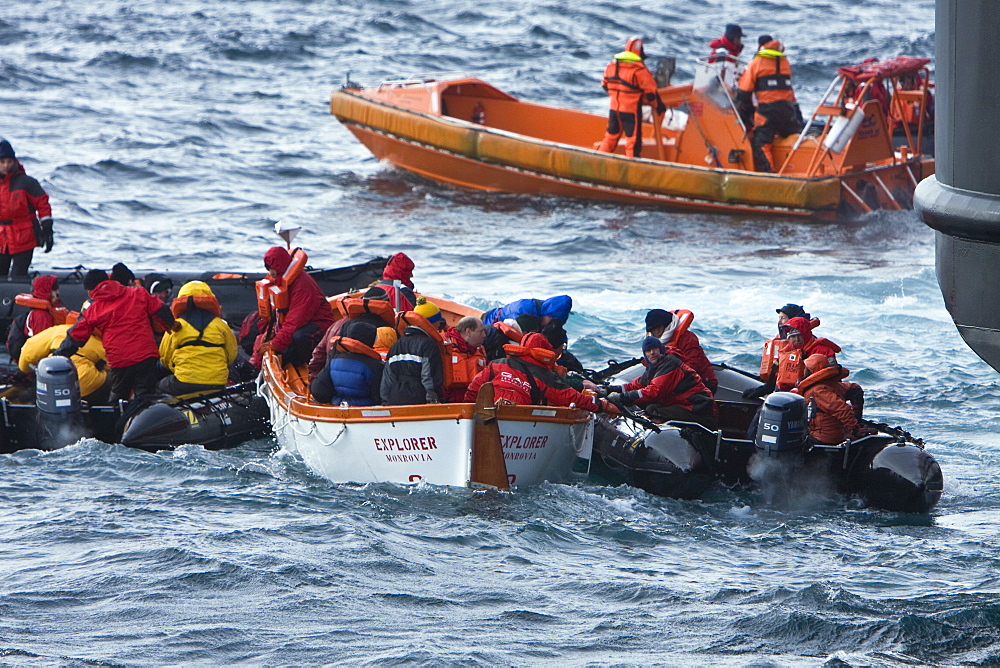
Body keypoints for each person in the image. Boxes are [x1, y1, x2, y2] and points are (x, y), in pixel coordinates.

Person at [56, 268, 176, 402]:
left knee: (118, 397)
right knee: (146, 396)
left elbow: (76, 335)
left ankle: (115, 420)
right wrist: (171, 326)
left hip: (120, 360)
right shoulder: (138, 293)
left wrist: (60, 355)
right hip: (145, 356)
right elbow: (162, 310)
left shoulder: (94, 309)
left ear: (91, 291)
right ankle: (145, 419)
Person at [464, 332, 620, 417]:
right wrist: (603, 405)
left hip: (486, 415)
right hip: (520, 420)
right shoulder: (545, 376)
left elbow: (473, 390)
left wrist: (469, 414)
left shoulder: (497, 364)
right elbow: (571, 397)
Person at [605, 336, 717, 429]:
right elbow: (637, 385)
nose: (652, 353)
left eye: (654, 349)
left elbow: (653, 391)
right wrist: (610, 390)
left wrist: (621, 398)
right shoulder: (653, 367)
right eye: (648, 351)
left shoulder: (670, 363)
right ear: (645, 354)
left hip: (698, 407)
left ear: (661, 349)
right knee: (651, 406)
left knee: (652, 409)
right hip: (683, 404)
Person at [252, 246, 336, 368]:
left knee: (300, 336)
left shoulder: (302, 286)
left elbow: (294, 322)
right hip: (293, 325)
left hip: (318, 325)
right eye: (268, 269)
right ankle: (256, 367)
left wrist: (276, 344)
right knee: (261, 331)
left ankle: (312, 366)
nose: (270, 273)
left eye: (272, 269)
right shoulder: (277, 279)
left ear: (280, 267)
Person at [157, 280, 238, 397]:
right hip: (217, 382)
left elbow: (164, 357)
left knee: (159, 387)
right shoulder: (221, 325)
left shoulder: (176, 326)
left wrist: (175, 366)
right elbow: (232, 355)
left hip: (184, 381)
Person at [736, 39, 804, 172]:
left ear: (760, 46)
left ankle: (769, 175)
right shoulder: (785, 62)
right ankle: (796, 169)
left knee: (761, 144)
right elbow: (787, 90)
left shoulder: (756, 63)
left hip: (768, 112)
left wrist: (748, 111)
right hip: (788, 110)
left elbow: (743, 93)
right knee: (793, 136)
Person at [597, 37, 666, 158]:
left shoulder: (611, 66)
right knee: (632, 141)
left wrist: (618, 94)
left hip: (614, 109)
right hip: (631, 111)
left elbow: (604, 85)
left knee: (610, 137)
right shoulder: (639, 70)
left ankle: (597, 160)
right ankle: (632, 166)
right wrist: (659, 106)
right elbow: (651, 93)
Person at [19, 321, 110, 403]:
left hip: (51, 383)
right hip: (85, 388)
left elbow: (28, 351)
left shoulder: (59, 330)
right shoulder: (105, 344)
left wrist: (26, 370)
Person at [0, 138, 53, 276]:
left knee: (18, 275)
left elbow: (43, 204)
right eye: (2, 162)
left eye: (9, 161)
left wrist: (47, 227)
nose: (6, 165)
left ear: (14, 162)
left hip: (24, 237)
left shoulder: (27, 182)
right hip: (1, 238)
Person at [310, 320, 383, 406]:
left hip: (339, 405)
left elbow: (318, 390)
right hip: (365, 410)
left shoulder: (334, 360)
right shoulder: (375, 365)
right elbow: (379, 396)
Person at [794, 354, 864, 444]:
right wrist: (857, 419)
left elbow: (842, 409)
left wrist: (855, 428)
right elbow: (855, 388)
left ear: (810, 370)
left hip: (825, 437)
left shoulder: (817, 391)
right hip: (838, 433)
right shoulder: (833, 385)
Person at [644, 308, 718, 394]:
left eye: (658, 327)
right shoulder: (655, 343)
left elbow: (693, 365)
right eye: (653, 329)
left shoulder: (688, 338)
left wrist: (667, 379)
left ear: (666, 325)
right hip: (671, 380)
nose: (656, 331)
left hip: (701, 382)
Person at [381, 311, 445, 405]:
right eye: (438, 321)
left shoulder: (396, 346)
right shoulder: (428, 344)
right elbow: (428, 376)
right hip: (419, 398)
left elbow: (388, 378)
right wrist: (433, 400)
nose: (439, 324)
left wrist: (385, 402)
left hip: (395, 398)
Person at [6, 274, 63, 362]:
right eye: (55, 288)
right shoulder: (41, 316)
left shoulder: (46, 312)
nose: (57, 292)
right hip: (35, 364)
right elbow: (42, 347)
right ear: (47, 291)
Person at [442, 315, 488, 402]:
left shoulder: (480, 351)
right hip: (447, 400)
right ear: (468, 331)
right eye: (480, 332)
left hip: (470, 401)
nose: (484, 335)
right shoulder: (444, 347)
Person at [481, 295, 572, 328]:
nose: (554, 324)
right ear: (547, 314)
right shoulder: (523, 310)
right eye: (553, 320)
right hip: (491, 320)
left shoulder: (551, 320)